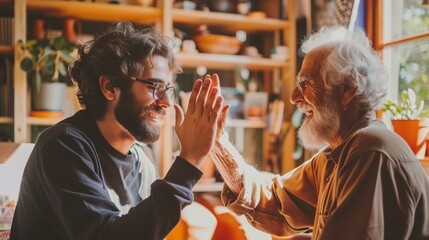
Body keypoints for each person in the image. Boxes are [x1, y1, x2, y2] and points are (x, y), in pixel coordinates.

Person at [209, 26, 429, 239]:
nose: (294, 97)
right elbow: (274, 201)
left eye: (306, 83)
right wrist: (217, 142)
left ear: (348, 88)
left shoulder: (369, 151)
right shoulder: (338, 153)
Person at [11, 21, 226, 240]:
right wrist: (188, 161)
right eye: (154, 87)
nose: (166, 103)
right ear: (110, 87)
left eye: (167, 89)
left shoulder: (142, 161)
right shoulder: (63, 147)